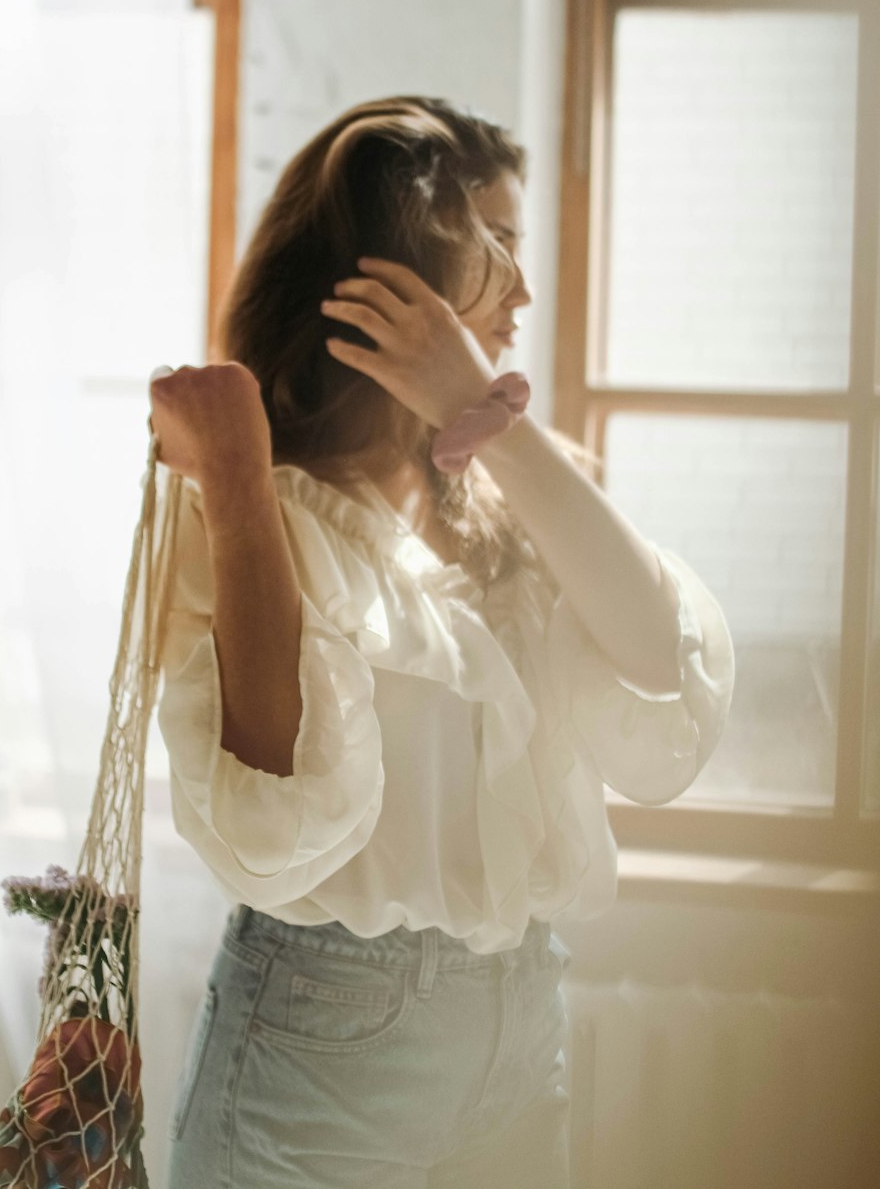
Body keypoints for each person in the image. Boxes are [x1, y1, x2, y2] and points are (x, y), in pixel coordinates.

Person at [147, 96, 736, 1188]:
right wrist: (233, 469)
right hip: (320, 1054)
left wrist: (485, 415)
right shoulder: (261, 505)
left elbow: (668, 671)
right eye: (498, 242)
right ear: (400, 267)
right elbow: (269, 816)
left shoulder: (516, 491)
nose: (522, 285)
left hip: (521, 1023)